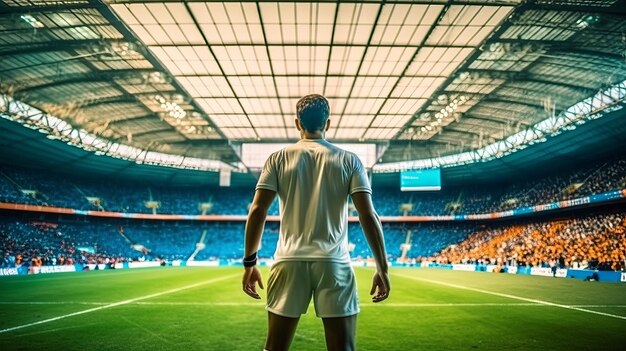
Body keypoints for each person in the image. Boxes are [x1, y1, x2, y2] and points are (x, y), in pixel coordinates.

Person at [242, 94, 390, 351]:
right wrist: (382, 268)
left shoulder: (277, 159)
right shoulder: (349, 160)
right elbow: (368, 215)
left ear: (297, 123)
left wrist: (249, 263)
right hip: (334, 262)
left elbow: (257, 211)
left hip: (288, 260)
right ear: (328, 123)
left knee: (274, 347)